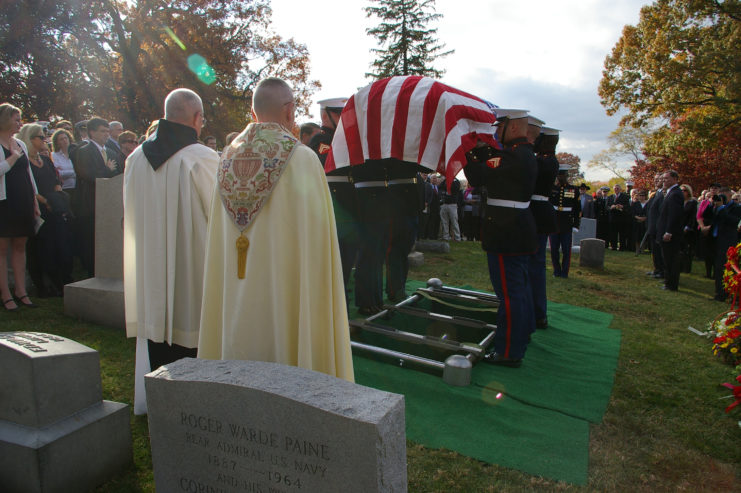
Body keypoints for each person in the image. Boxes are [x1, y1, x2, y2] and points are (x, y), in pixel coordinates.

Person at [198, 77, 354, 382]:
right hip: (287, 291)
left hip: (236, 281)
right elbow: (317, 241)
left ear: (254, 113)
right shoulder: (303, 159)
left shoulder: (226, 158)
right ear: (289, 110)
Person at [123, 88, 220, 415]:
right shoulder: (202, 158)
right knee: (191, 330)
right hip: (193, 268)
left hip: (150, 267)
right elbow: (221, 217)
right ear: (196, 118)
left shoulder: (135, 158)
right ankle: (193, 410)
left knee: (159, 335)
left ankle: (163, 404)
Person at [463, 108, 537, 367]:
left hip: (507, 232)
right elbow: (493, 162)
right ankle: (521, 337)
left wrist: (464, 151)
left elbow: (477, 175)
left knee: (509, 294)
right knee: (519, 290)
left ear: (513, 128)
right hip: (515, 229)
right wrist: (480, 149)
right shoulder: (520, 154)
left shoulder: (515, 157)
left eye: (499, 127)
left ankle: (509, 351)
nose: (495, 132)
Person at [308, 98, 359, 306]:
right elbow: (329, 165)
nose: (343, 118)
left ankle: (341, 301)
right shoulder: (321, 140)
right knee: (331, 259)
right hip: (330, 201)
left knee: (346, 259)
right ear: (325, 115)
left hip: (348, 206)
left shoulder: (348, 137)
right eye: (338, 114)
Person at [19, 123, 71, 297]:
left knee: (60, 246)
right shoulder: (24, 162)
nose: (45, 140)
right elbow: (28, 187)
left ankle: (61, 281)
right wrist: (45, 201)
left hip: (54, 209)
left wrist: (57, 199)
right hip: (38, 209)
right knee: (42, 249)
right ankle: (44, 286)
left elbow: (55, 180)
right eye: (41, 137)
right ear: (30, 138)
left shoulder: (46, 160)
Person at [0, 103, 40, 311]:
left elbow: (29, 175)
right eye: (16, 119)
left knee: (19, 246)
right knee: (2, 249)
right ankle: (5, 293)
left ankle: (21, 290)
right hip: (4, 202)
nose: (19, 123)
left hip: (23, 200)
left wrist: (34, 200)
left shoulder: (21, 144)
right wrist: (13, 157)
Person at [71, 116, 120, 277]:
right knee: (91, 240)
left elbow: (118, 173)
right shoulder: (83, 151)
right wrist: (106, 170)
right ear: (92, 132)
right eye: (102, 131)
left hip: (110, 203)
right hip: (90, 204)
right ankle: (92, 271)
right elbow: (88, 175)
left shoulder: (112, 152)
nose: (106, 134)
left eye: (108, 131)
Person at [529, 121, 557, 329]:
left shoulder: (544, 162)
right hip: (540, 212)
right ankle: (537, 310)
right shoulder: (547, 160)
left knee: (535, 266)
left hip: (536, 213)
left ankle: (538, 311)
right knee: (535, 265)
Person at [548, 164, 581, 278]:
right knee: (554, 250)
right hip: (554, 223)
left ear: (567, 176)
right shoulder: (552, 188)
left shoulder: (574, 190)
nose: (561, 178)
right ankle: (556, 271)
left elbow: (577, 210)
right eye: (559, 176)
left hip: (567, 224)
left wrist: (576, 225)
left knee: (566, 250)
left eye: (563, 175)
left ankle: (564, 272)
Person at [711, 187, 741, 301]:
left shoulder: (736, 207)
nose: (721, 198)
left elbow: (734, 221)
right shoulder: (716, 207)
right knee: (718, 268)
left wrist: (722, 208)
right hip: (717, 239)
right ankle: (719, 293)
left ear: (729, 195)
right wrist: (714, 205)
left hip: (728, 241)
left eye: (723, 196)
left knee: (727, 267)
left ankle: (729, 293)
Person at [656, 170, 684, 291]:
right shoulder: (670, 192)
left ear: (674, 179)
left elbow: (674, 214)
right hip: (666, 230)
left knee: (671, 259)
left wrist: (669, 231)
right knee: (666, 258)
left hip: (671, 234)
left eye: (666, 178)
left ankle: (671, 284)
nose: (663, 181)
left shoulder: (676, 193)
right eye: (663, 179)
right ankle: (668, 281)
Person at [438, 176, 462, 241]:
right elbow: (440, 187)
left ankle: (457, 237)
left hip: (452, 204)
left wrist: (449, 184)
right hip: (444, 203)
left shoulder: (456, 181)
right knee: (444, 222)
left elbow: (455, 189)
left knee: (454, 222)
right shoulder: (444, 181)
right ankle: (445, 237)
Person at [680, 184, 698, 273]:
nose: (683, 192)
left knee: (688, 249)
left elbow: (693, 216)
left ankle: (687, 268)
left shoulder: (693, 202)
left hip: (689, 229)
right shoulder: (679, 201)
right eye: (681, 190)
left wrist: (688, 226)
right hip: (679, 227)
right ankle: (680, 266)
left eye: (685, 190)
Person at [607, 184, 630, 250]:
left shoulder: (625, 197)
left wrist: (622, 206)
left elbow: (628, 207)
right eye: (615, 188)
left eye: (617, 188)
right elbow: (606, 207)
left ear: (620, 189)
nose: (616, 189)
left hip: (621, 218)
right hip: (613, 218)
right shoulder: (610, 197)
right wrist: (611, 207)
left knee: (622, 234)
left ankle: (622, 247)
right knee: (613, 233)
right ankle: (613, 246)